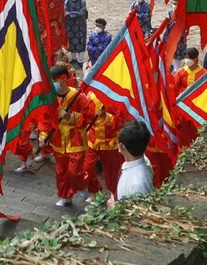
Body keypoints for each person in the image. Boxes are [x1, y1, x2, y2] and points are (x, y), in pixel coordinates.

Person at [40, 65, 94, 206]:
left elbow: (89, 117)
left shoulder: (78, 96)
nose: (53, 83)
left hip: (75, 139)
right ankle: (65, 196)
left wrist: (72, 117)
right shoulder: (50, 98)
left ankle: (81, 185)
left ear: (64, 79)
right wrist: (43, 136)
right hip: (58, 140)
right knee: (61, 171)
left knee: (74, 171)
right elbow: (45, 119)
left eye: (55, 80)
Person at [85, 95, 124, 201]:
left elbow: (119, 122)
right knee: (87, 168)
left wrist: (106, 116)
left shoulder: (116, 100)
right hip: (92, 141)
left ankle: (115, 195)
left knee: (112, 173)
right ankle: (95, 193)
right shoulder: (90, 97)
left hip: (110, 144)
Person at [107, 121, 154, 205]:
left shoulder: (137, 185)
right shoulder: (144, 161)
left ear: (121, 146)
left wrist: (113, 209)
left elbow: (139, 215)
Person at [162, 0, 188, 72]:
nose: (175, 5)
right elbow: (167, 22)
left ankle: (178, 70)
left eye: (177, 4)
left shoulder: (184, 13)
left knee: (178, 55)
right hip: (170, 35)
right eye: (174, 3)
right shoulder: (170, 12)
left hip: (180, 36)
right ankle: (169, 68)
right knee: (169, 52)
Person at [65, 0, 88, 65]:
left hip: (80, 26)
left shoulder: (82, 1)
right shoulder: (67, 2)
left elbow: (82, 12)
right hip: (70, 26)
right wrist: (74, 14)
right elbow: (65, 12)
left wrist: (70, 14)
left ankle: (80, 60)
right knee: (71, 42)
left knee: (81, 42)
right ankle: (74, 58)